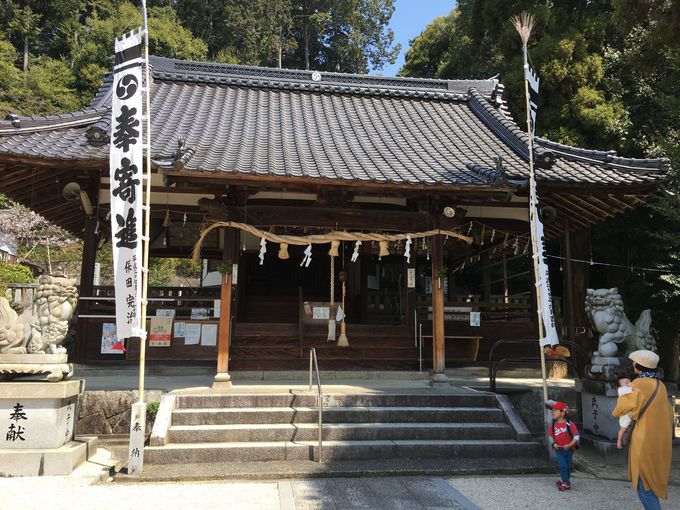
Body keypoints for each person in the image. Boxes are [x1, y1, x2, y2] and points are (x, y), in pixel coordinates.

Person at [613, 350, 673, 510]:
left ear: (637, 366)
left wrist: (622, 390)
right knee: (650, 481)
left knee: (644, 487)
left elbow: (621, 408)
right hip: (659, 441)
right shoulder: (661, 385)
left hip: (644, 441)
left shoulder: (638, 384)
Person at [547, 401, 580, 491]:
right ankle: (566, 483)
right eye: (552, 410)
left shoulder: (569, 424)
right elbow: (550, 435)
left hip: (569, 450)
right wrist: (553, 443)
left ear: (562, 413)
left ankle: (564, 480)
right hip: (559, 450)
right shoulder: (553, 424)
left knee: (567, 466)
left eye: (555, 410)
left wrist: (569, 445)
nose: (552, 412)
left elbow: (576, 436)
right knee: (563, 466)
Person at [616, 375, 633, 449]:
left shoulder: (627, 389)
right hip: (625, 414)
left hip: (630, 412)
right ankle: (619, 441)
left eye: (629, 382)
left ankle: (627, 441)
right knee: (623, 428)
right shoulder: (621, 390)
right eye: (626, 383)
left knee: (629, 429)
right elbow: (632, 390)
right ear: (620, 386)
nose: (629, 384)